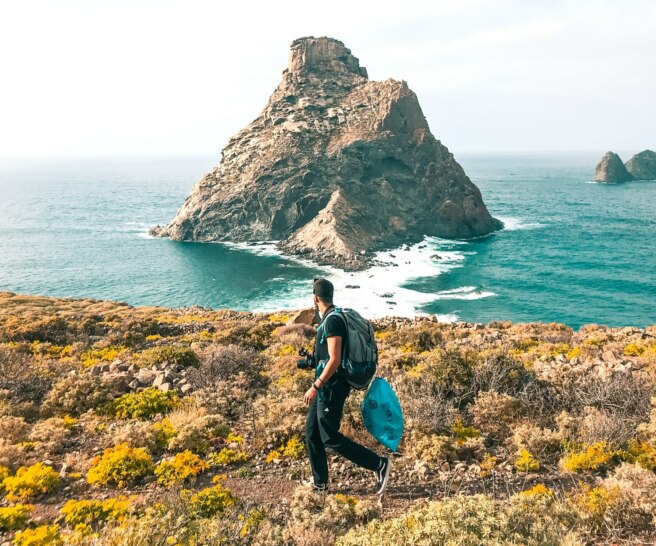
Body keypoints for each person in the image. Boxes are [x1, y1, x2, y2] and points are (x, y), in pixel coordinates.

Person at [303, 277, 391, 495]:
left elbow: (334, 359)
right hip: (326, 385)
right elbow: (327, 358)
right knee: (312, 433)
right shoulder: (332, 318)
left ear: (315, 299)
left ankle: (379, 464)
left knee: (329, 437)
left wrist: (315, 385)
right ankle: (320, 484)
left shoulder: (332, 321)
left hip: (332, 387)